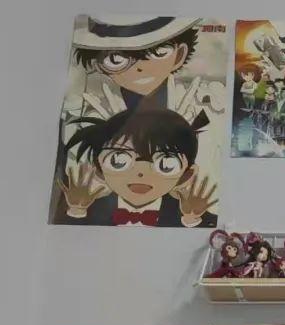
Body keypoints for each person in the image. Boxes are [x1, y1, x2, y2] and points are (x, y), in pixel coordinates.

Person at [56, 108, 218, 227]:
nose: (140, 173)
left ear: (186, 175)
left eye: (166, 164)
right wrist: (76, 211)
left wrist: (191, 220)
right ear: (99, 169)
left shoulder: (191, 213)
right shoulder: (90, 209)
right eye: (118, 161)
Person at [71, 16, 201, 112]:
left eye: (159, 52)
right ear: (98, 66)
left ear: (179, 56)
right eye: (116, 59)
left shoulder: (201, 105)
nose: (141, 67)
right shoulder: (93, 112)